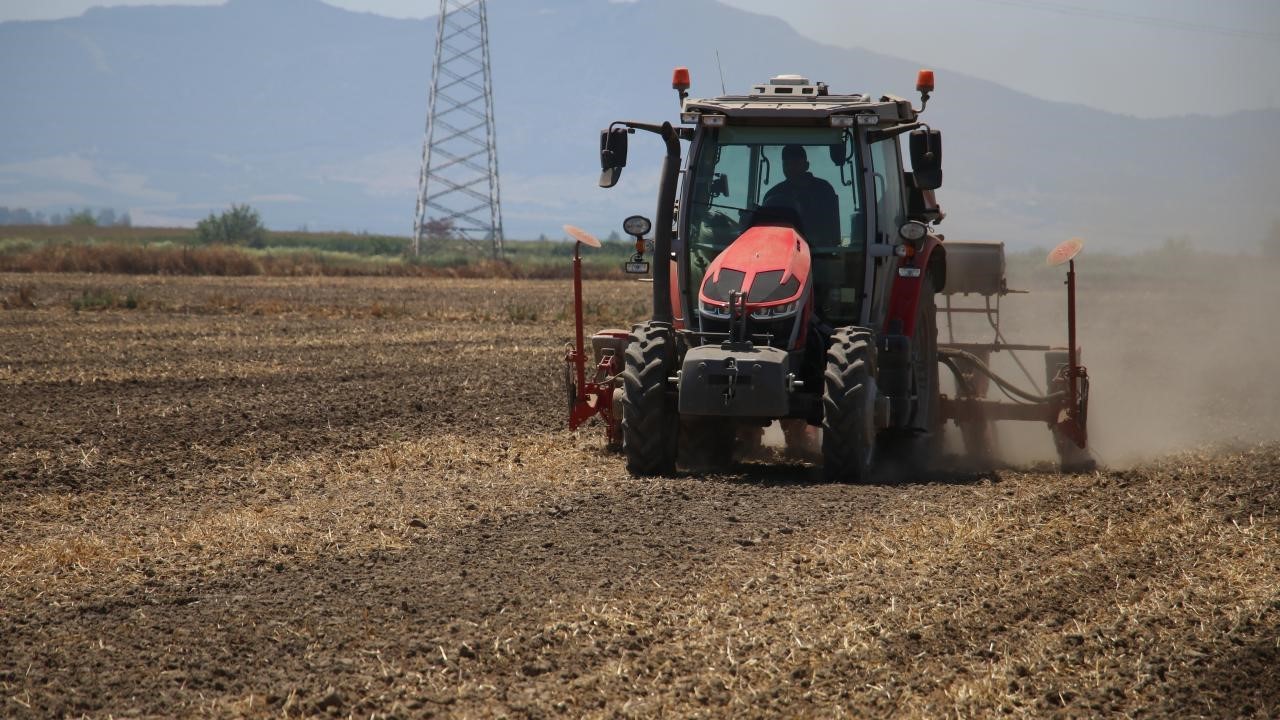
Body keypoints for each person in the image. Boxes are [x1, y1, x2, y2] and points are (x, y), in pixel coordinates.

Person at [760, 144, 841, 247]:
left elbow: (833, 231)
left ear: (806, 165)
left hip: (820, 254)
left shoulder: (824, 190)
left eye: (795, 163)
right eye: (786, 164)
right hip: (783, 251)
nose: (790, 168)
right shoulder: (773, 194)